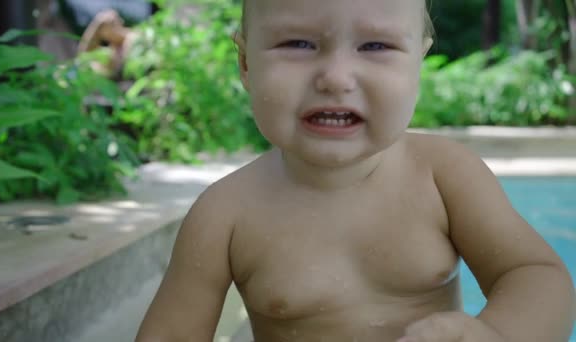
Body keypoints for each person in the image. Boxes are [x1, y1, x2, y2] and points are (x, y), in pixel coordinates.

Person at [136, 0, 576, 341]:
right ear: (247, 63)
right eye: (298, 44)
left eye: (375, 46)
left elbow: (535, 275)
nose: (335, 76)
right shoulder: (225, 214)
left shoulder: (445, 177)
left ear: (417, 62)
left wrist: (496, 335)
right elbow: (171, 334)